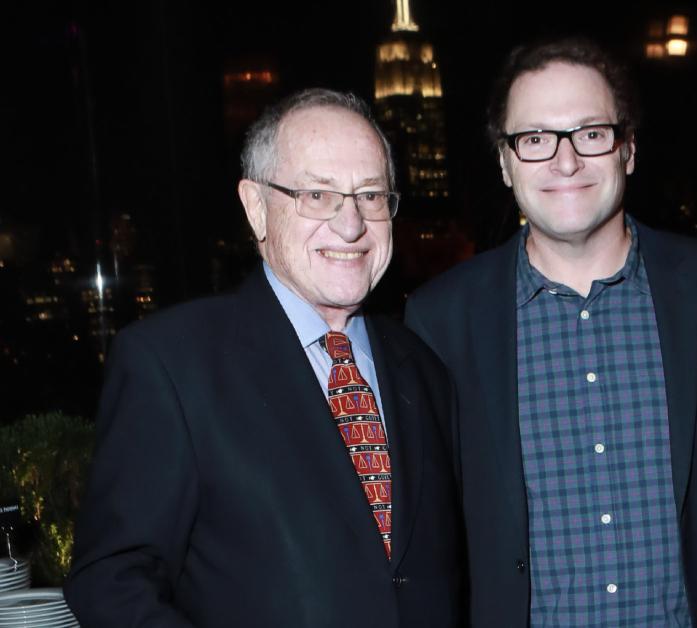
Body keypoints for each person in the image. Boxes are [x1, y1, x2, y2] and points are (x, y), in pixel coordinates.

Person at [66, 89, 464, 627]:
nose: (351, 225)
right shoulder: (170, 365)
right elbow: (111, 582)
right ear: (256, 207)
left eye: (370, 195)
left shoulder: (425, 367)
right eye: (318, 196)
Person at [405, 38, 697, 627]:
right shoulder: (442, 320)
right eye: (536, 139)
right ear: (504, 161)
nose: (564, 162)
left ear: (628, 150)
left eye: (591, 133)